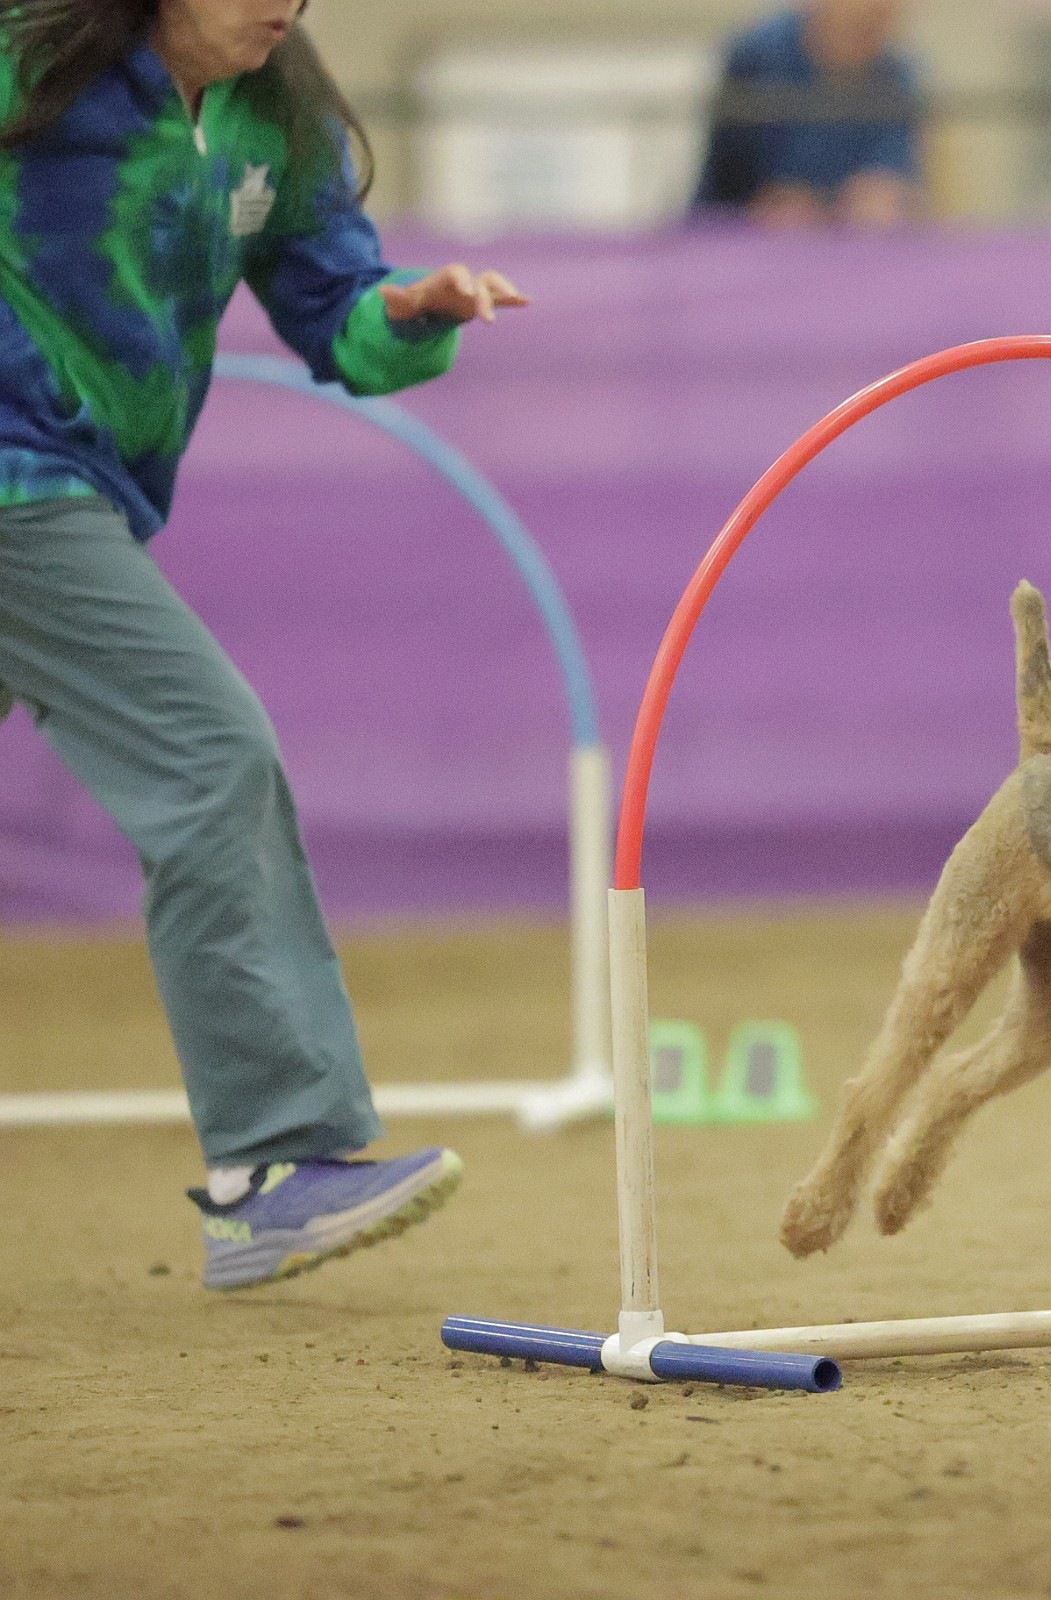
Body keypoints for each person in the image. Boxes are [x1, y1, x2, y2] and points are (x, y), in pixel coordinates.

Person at [0, 0, 527, 1288]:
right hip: (20, 483)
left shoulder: (274, 118)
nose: (280, 1)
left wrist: (414, 306)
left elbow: (339, 314)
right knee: (209, 756)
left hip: (87, 488)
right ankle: (275, 1166)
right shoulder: (33, 63)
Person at [693, 0, 922, 230]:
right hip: (742, 241)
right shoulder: (759, 56)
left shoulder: (897, 76)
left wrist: (884, 199)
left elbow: (892, 184)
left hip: (848, 249)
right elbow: (720, 188)